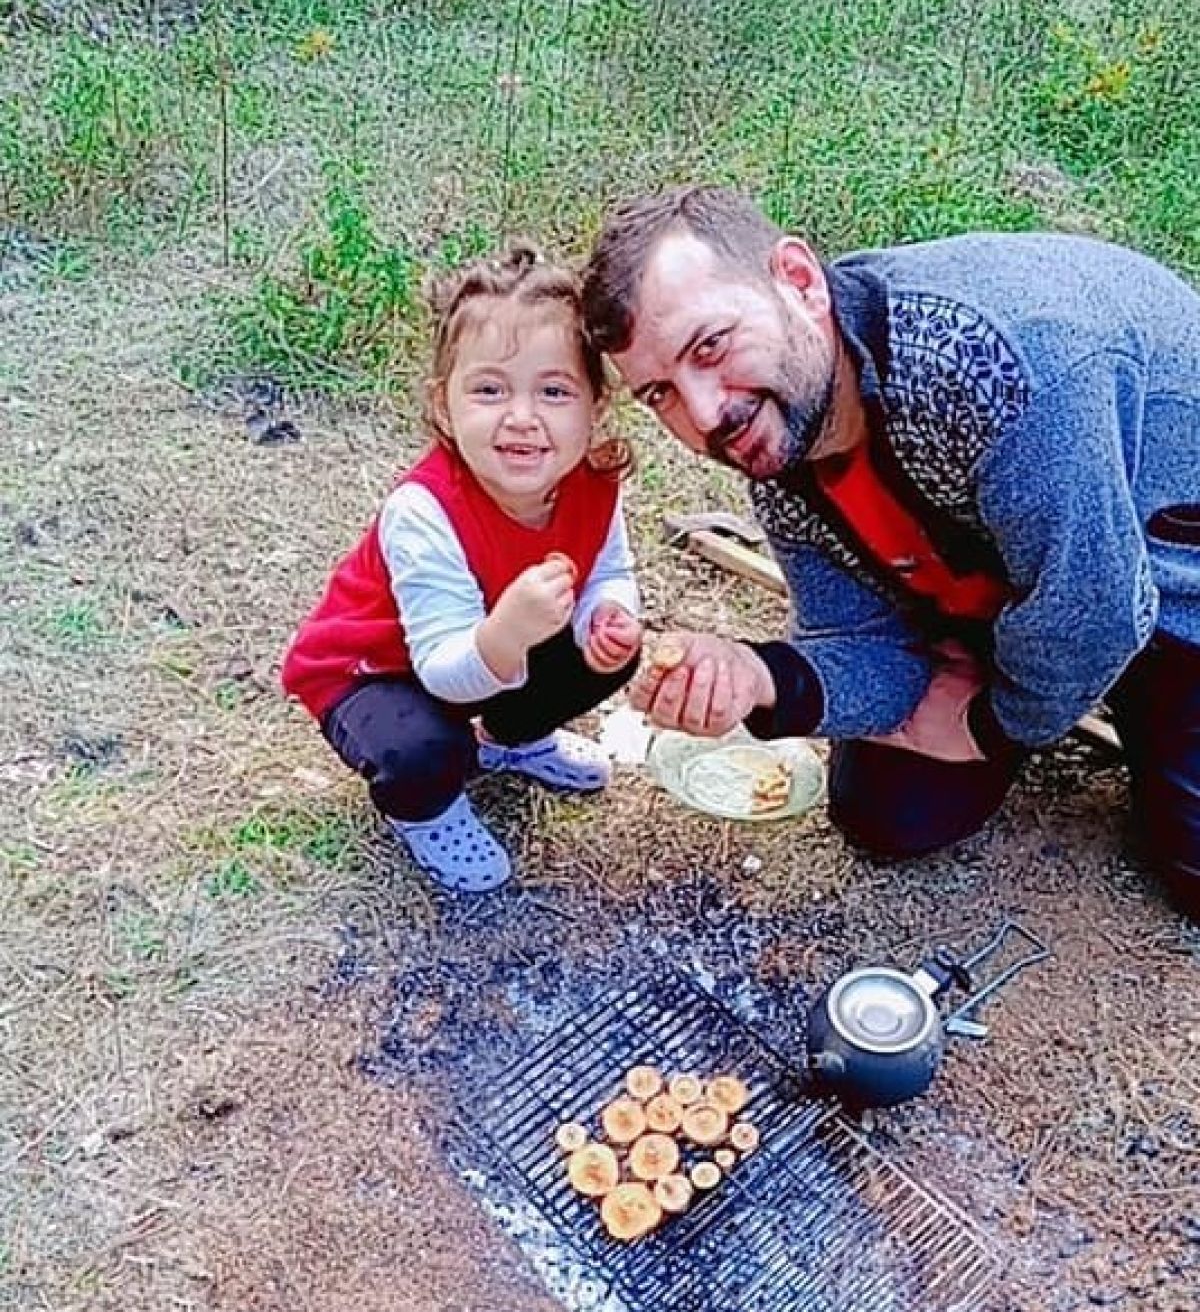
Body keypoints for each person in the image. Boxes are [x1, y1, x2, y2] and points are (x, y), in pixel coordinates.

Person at [582, 186, 1200, 921]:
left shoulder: (985, 367)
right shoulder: (785, 437)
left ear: (799, 281)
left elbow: (1099, 609)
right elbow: (858, 641)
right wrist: (759, 677)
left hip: (1164, 563)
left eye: (710, 346)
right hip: (1027, 570)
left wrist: (987, 724)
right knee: (886, 808)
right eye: (660, 393)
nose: (705, 413)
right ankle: (1032, 677)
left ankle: (1057, 694)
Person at [283, 244, 642, 893]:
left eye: (554, 391)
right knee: (425, 749)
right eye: (489, 390)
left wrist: (608, 613)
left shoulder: (592, 482)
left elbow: (607, 569)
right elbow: (443, 672)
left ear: (594, 408)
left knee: (607, 651)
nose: (522, 417)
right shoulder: (423, 509)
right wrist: (508, 631)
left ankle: (513, 740)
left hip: (491, 646)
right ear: (445, 407)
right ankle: (424, 812)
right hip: (377, 670)